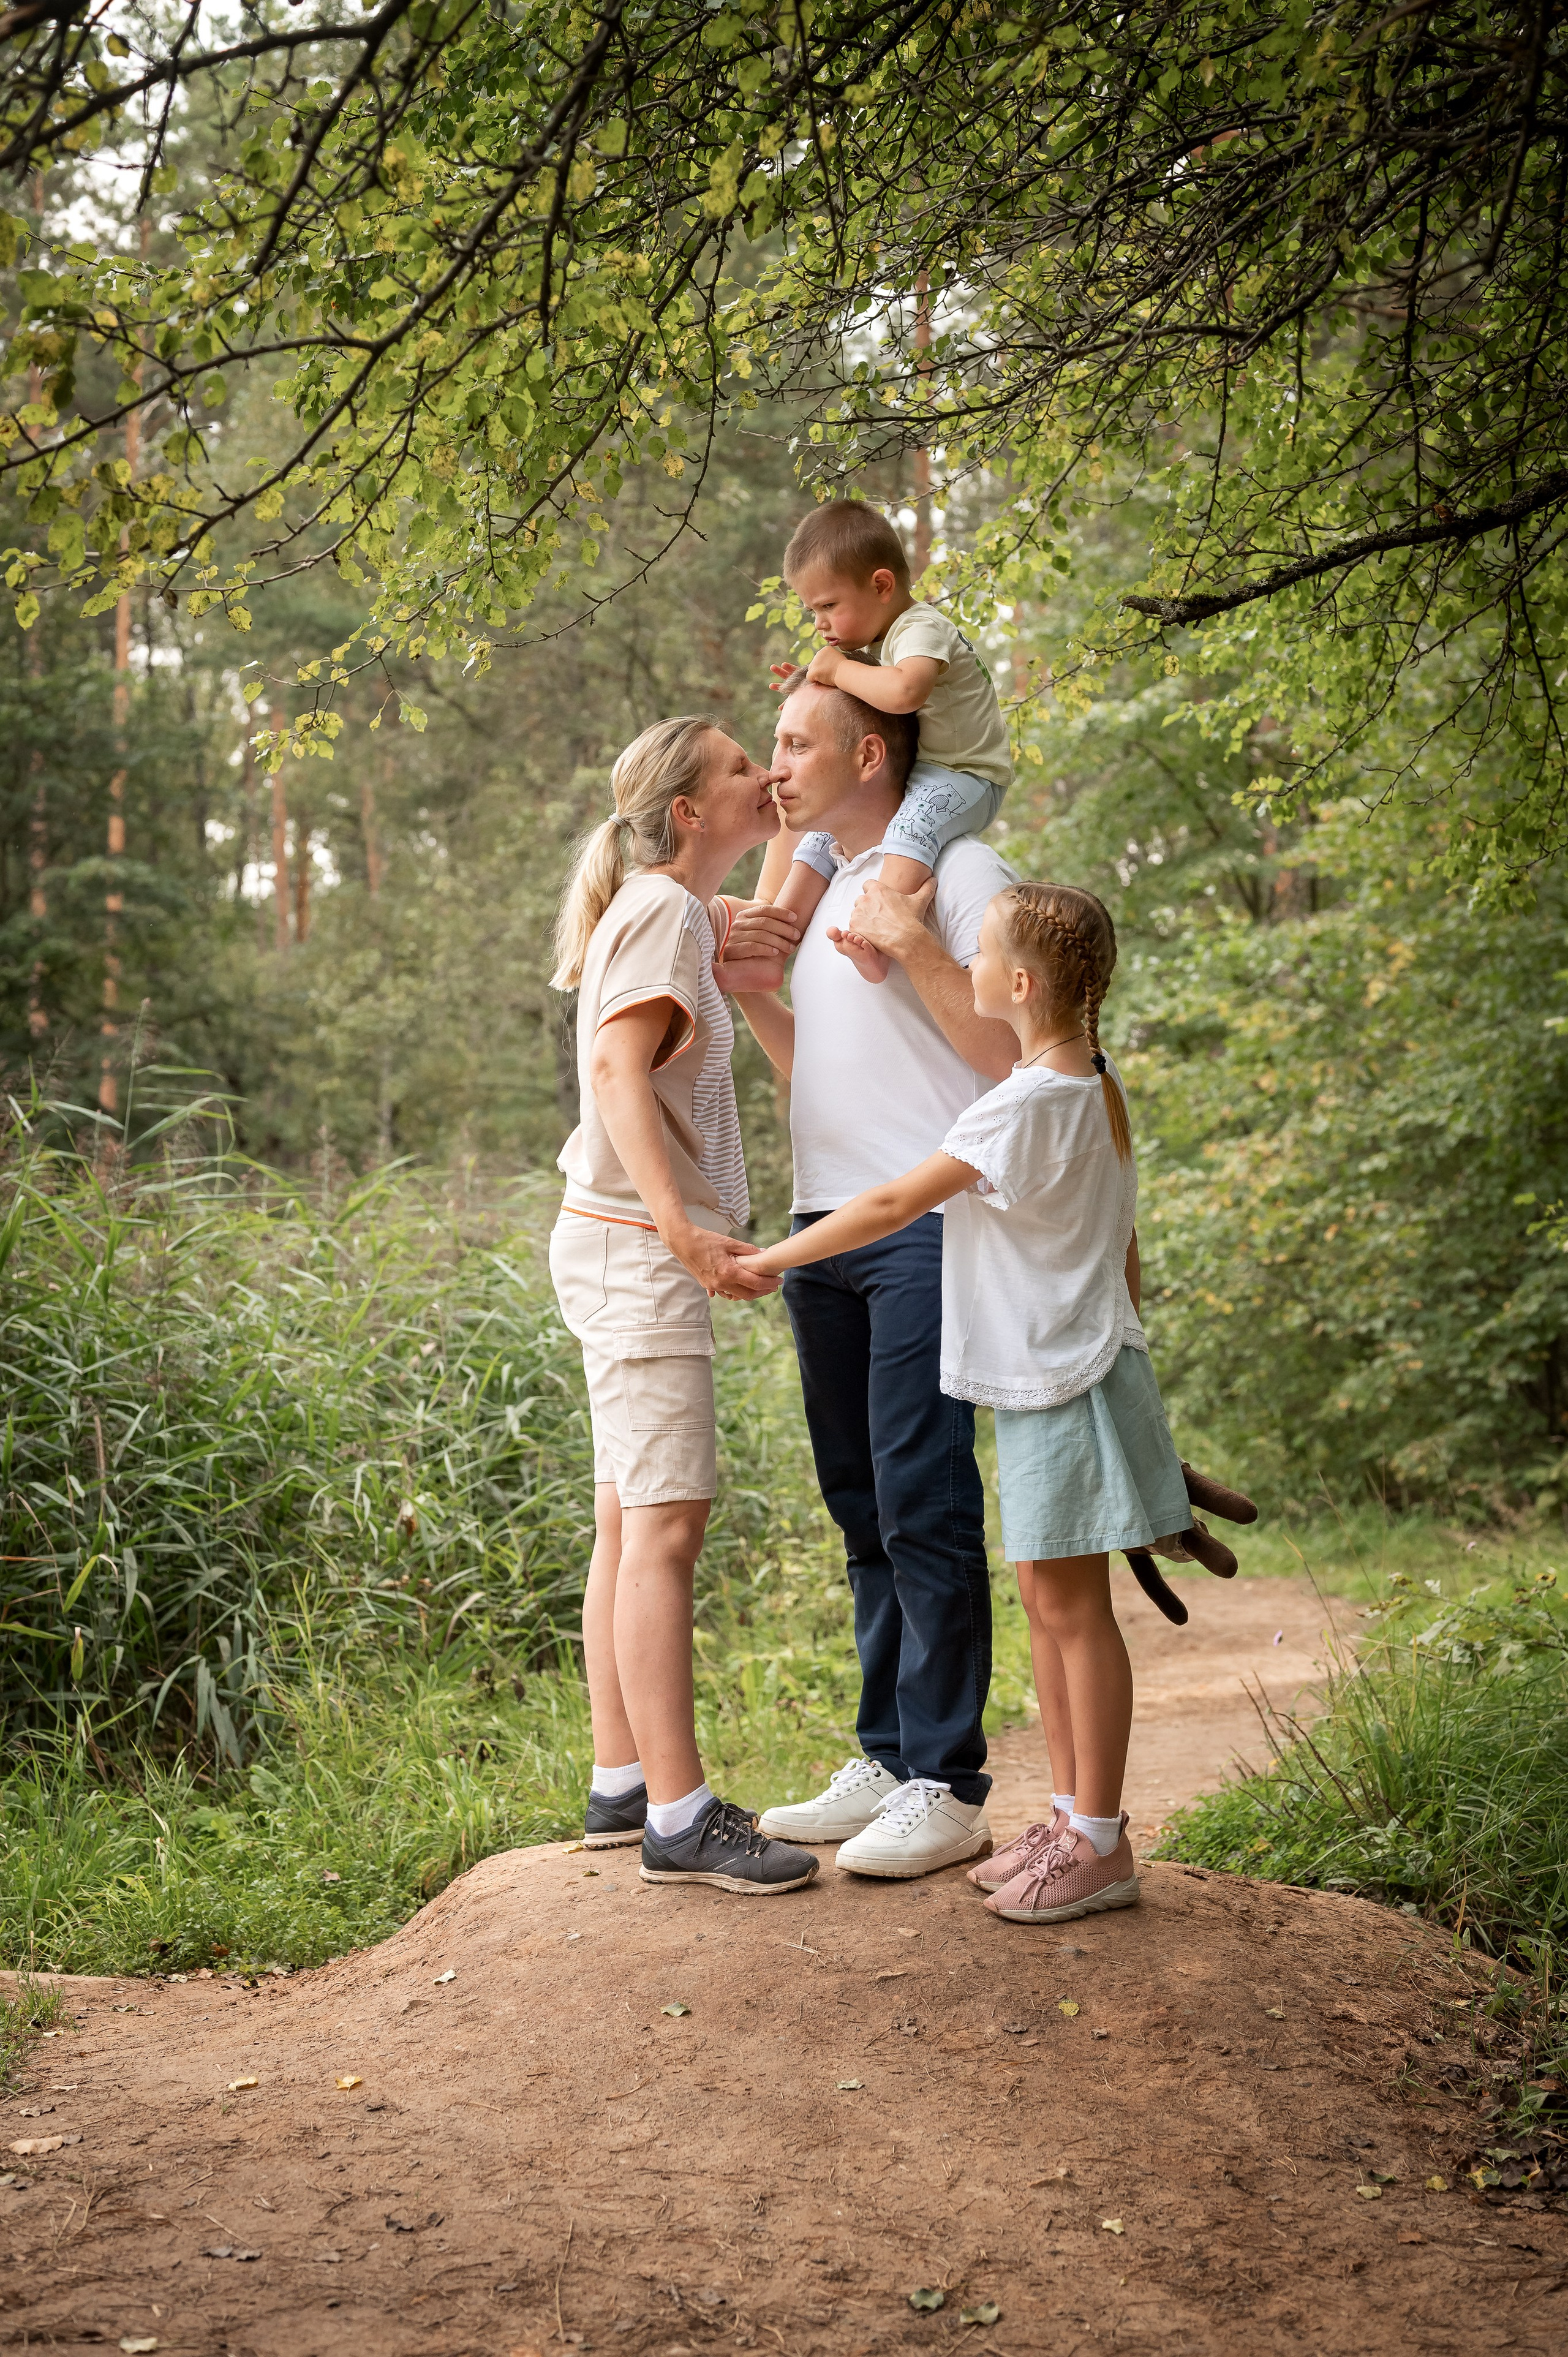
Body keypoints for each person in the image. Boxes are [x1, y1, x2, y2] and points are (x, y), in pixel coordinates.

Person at [747, 880, 1200, 1926]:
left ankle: (1100, 1839)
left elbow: (895, 1199)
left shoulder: (1029, 1100)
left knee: (1073, 1613)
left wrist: (768, 1257)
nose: (968, 963)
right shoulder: (1084, 1081)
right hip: (1058, 1370)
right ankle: (1068, 1814)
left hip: (1067, 1374)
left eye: (978, 950)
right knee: (1047, 1601)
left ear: (1022, 982)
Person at [720, 676, 1020, 1879]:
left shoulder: (959, 875)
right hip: (824, 1224)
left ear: (867, 753)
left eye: (794, 744)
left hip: (925, 1228)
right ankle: (888, 1757)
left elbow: (1011, 1053)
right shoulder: (832, 889)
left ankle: (946, 1781)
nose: (774, 767)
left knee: (920, 1499)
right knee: (858, 1502)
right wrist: (756, 1000)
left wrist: (910, 943)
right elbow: (820, 1077)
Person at [548, 715, 817, 1896]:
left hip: (604, 1244)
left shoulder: (665, 910)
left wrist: (722, 926)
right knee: (666, 1530)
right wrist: (684, 1233)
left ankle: (623, 1781)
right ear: (691, 813)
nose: (765, 776)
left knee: (627, 1523)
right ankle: (679, 1813)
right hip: (635, 1250)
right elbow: (615, 1071)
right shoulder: (660, 909)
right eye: (740, 768)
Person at [716, 500, 1011, 990]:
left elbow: (904, 692)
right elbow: (864, 698)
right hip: (926, 769)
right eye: (813, 610)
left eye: (828, 606)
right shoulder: (879, 641)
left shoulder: (921, 627)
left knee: (913, 828)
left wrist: (836, 669)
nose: (819, 623)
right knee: (817, 842)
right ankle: (774, 944)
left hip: (968, 774)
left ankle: (875, 939)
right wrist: (813, 685)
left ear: (881, 585)